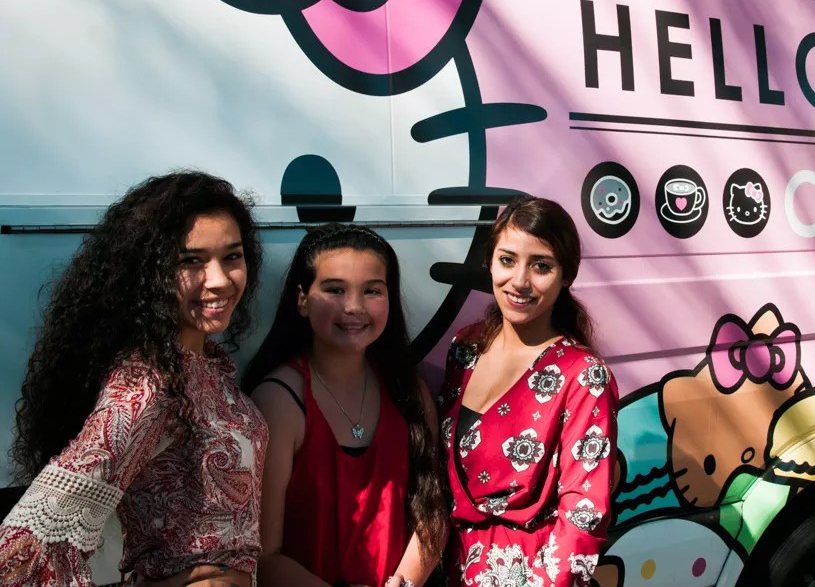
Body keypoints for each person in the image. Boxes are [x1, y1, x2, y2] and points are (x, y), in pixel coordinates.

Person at [0, 171, 267, 587]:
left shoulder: (208, 365)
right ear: (150, 271)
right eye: (191, 261)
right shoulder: (146, 383)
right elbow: (23, 546)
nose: (219, 280)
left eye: (232, 257)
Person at [243, 224, 447, 587]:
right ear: (302, 300)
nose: (354, 307)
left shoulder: (409, 392)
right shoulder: (278, 400)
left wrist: (405, 582)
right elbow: (264, 554)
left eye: (372, 291)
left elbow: (432, 513)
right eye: (335, 289)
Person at [440, 197, 619, 587]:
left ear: (566, 276)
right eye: (507, 260)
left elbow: (584, 513)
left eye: (541, 266)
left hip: (530, 574)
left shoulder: (583, 375)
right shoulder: (465, 348)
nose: (519, 281)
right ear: (489, 263)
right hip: (449, 567)